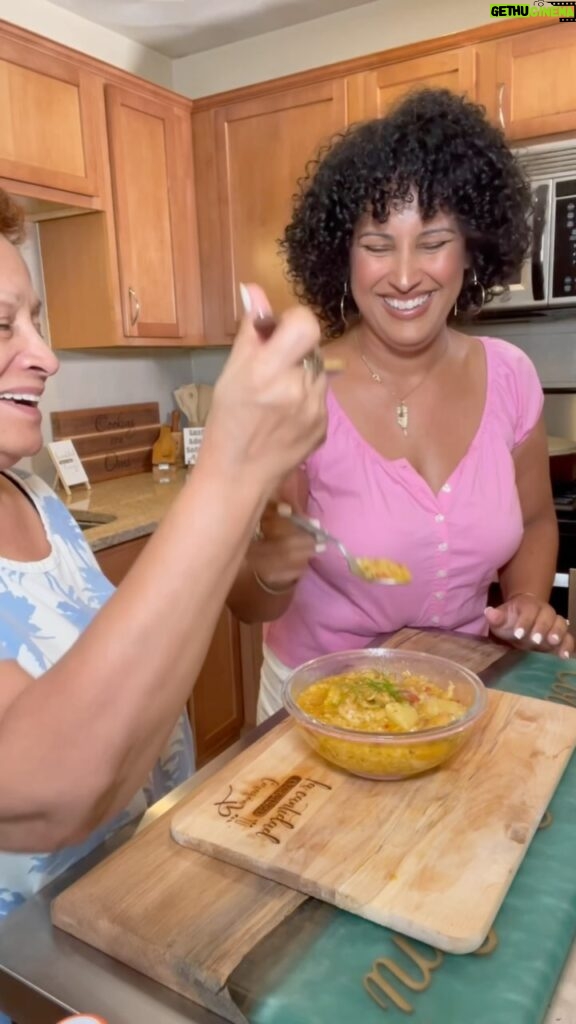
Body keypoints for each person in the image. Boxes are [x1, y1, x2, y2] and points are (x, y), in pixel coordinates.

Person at [0, 189, 327, 924]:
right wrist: (232, 470)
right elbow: (46, 789)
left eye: (37, 322)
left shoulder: (32, 493)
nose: (45, 357)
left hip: (122, 909)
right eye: (2, 326)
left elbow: (137, 691)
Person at [227, 88, 573, 723]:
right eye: (378, 245)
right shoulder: (300, 390)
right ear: (343, 256)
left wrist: (525, 601)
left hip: (458, 694)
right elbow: (250, 604)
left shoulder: (511, 377)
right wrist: (271, 564)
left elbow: (534, 522)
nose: (406, 274)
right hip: (317, 703)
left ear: (471, 250)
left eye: (433, 240)